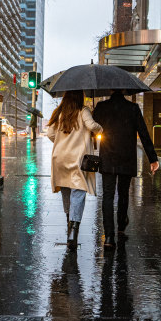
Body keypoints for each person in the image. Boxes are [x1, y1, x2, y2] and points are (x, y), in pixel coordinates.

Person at [93, 90, 159, 248]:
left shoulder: (102, 107)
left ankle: (109, 237)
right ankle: (121, 226)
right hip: (126, 158)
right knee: (123, 193)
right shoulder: (133, 108)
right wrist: (153, 158)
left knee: (108, 196)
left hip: (107, 158)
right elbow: (143, 133)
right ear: (124, 92)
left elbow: (92, 129)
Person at [47, 90, 103, 250]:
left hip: (59, 158)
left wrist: (61, 142)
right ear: (80, 97)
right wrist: (100, 130)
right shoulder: (83, 110)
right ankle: (73, 233)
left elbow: (50, 134)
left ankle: (68, 224)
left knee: (66, 191)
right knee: (78, 192)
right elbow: (92, 126)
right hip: (77, 159)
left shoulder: (58, 112)